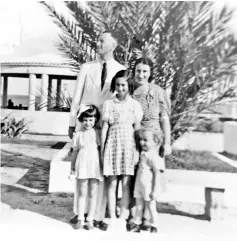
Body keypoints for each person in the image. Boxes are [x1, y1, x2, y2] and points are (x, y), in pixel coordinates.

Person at [68, 31, 126, 229]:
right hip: (86, 123)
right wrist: (71, 124)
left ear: (113, 45)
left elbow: (122, 99)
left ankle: (98, 216)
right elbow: (76, 98)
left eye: (102, 41)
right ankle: (79, 214)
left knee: (102, 169)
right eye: (97, 40)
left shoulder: (121, 69)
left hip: (109, 126)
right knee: (83, 169)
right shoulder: (87, 67)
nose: (97, 43)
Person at [128, 57, 172, 231]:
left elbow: (164, 118)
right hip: (133, 136)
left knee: (152, 178)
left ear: (150, 73)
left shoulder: (158, 91)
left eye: (145, 71)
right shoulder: (130, 89)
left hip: (153, 139)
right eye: (138, 70)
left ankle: (148, 218)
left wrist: (167, 142)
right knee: (134, 176)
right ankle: (134, 216)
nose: (141, 74)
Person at [101, 70, 143, 230]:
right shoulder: (108, 104)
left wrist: (138, 151)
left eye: (123, 85)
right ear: (114, 86)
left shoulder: (134, 105)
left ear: (129, 86)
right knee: (111, 183)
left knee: (126, 184)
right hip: (112, 145)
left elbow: (137, 129)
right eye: (117, 85)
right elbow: (105, 127)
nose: (120, 88)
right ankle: (112, 217)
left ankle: (122, 217)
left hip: (129, 146)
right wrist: (103, 149)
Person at [70, 105, 103, 230]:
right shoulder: (78, 135)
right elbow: (74, 152)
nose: (88, 123)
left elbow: (100, 150)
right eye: (85, 120)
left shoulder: (98, 133)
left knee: (93, 193)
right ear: (81, 120)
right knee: (82, 192)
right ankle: (80, 218)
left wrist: (101, 166)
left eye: (90, 120)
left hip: (94, 165)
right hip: (82, 164)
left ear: (95, 120)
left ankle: (90, 219)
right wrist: (72, 166)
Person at [129, 128, 165, 233]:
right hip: (139, 184)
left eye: (146, 140)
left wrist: (155, 189)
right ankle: (137, 223)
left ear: (155, 141)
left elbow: (157, 174)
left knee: (151, 206)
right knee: (138, 205)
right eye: (141, 139)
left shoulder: (155, 157)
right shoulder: (142, 154)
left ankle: (154, 225)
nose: (142, 142)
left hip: (149, 186)